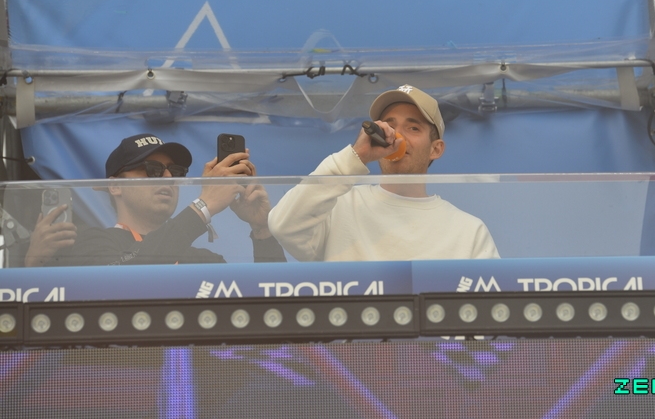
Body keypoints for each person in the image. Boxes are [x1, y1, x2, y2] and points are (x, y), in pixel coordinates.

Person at [268, 85, 500, 261]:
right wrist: (356, 156)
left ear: (436, 149)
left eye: (413, 128)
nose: (397, 136)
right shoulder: (338, 207)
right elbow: (283, 226)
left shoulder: (468, 231)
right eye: (389, 126)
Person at [55, 133, 285, 265]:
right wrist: (204, 205)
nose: (167, 177)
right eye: (153, 169)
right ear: (115, 186)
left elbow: (271, 309)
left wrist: (262, 230)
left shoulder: (205, 260)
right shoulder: (92, 243)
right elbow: (124, 281)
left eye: (175, 172)